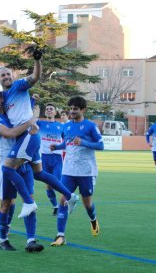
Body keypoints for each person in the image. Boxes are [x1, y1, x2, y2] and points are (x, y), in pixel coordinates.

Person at [0, 48, 79, 219]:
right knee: (38, 173)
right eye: (2, 75)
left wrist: (37, 61)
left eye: (8, 74)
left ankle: (28, 202)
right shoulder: (3, 98)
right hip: (27, 136)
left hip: (28, 134)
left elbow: (35, 77)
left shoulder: (19, 85)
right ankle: (70, 196)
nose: (6, 77)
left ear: (12, 76)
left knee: (7, 168)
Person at [0, 89, 44, 252]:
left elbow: (25, 109)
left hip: (22, 162)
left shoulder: (12, 115)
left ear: (2, 99)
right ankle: (3, 240)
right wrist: (33, 120)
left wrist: (33, 100)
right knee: (6, 203)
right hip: (6, 166)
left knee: (29, 201)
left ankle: (31, 240)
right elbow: (10, 133)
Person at [49, 96, 104, 246]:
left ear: (83, 110)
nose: (72, 111)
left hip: (86, 171)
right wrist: (57, 147)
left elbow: (101, 145)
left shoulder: (90, 126)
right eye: (71, 109)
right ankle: (60, 236)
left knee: (87, 203)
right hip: (69, 170)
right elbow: (67, 143)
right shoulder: (66, 126)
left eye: (75, 109)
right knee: (63, 200)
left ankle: (93, 220)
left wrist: (84, 142)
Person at [37, 103, 64, 216]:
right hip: (44, 157)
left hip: (57, 157)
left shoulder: (61, 126)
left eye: (51, 109)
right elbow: (32, 120)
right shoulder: (41, 124)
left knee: (56, 182)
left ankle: (66, 201)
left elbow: (67, 140)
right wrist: (36, 111)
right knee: (48, 185)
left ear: (55, 112)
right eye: (47, 109)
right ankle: (55, 206)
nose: (48, 111)